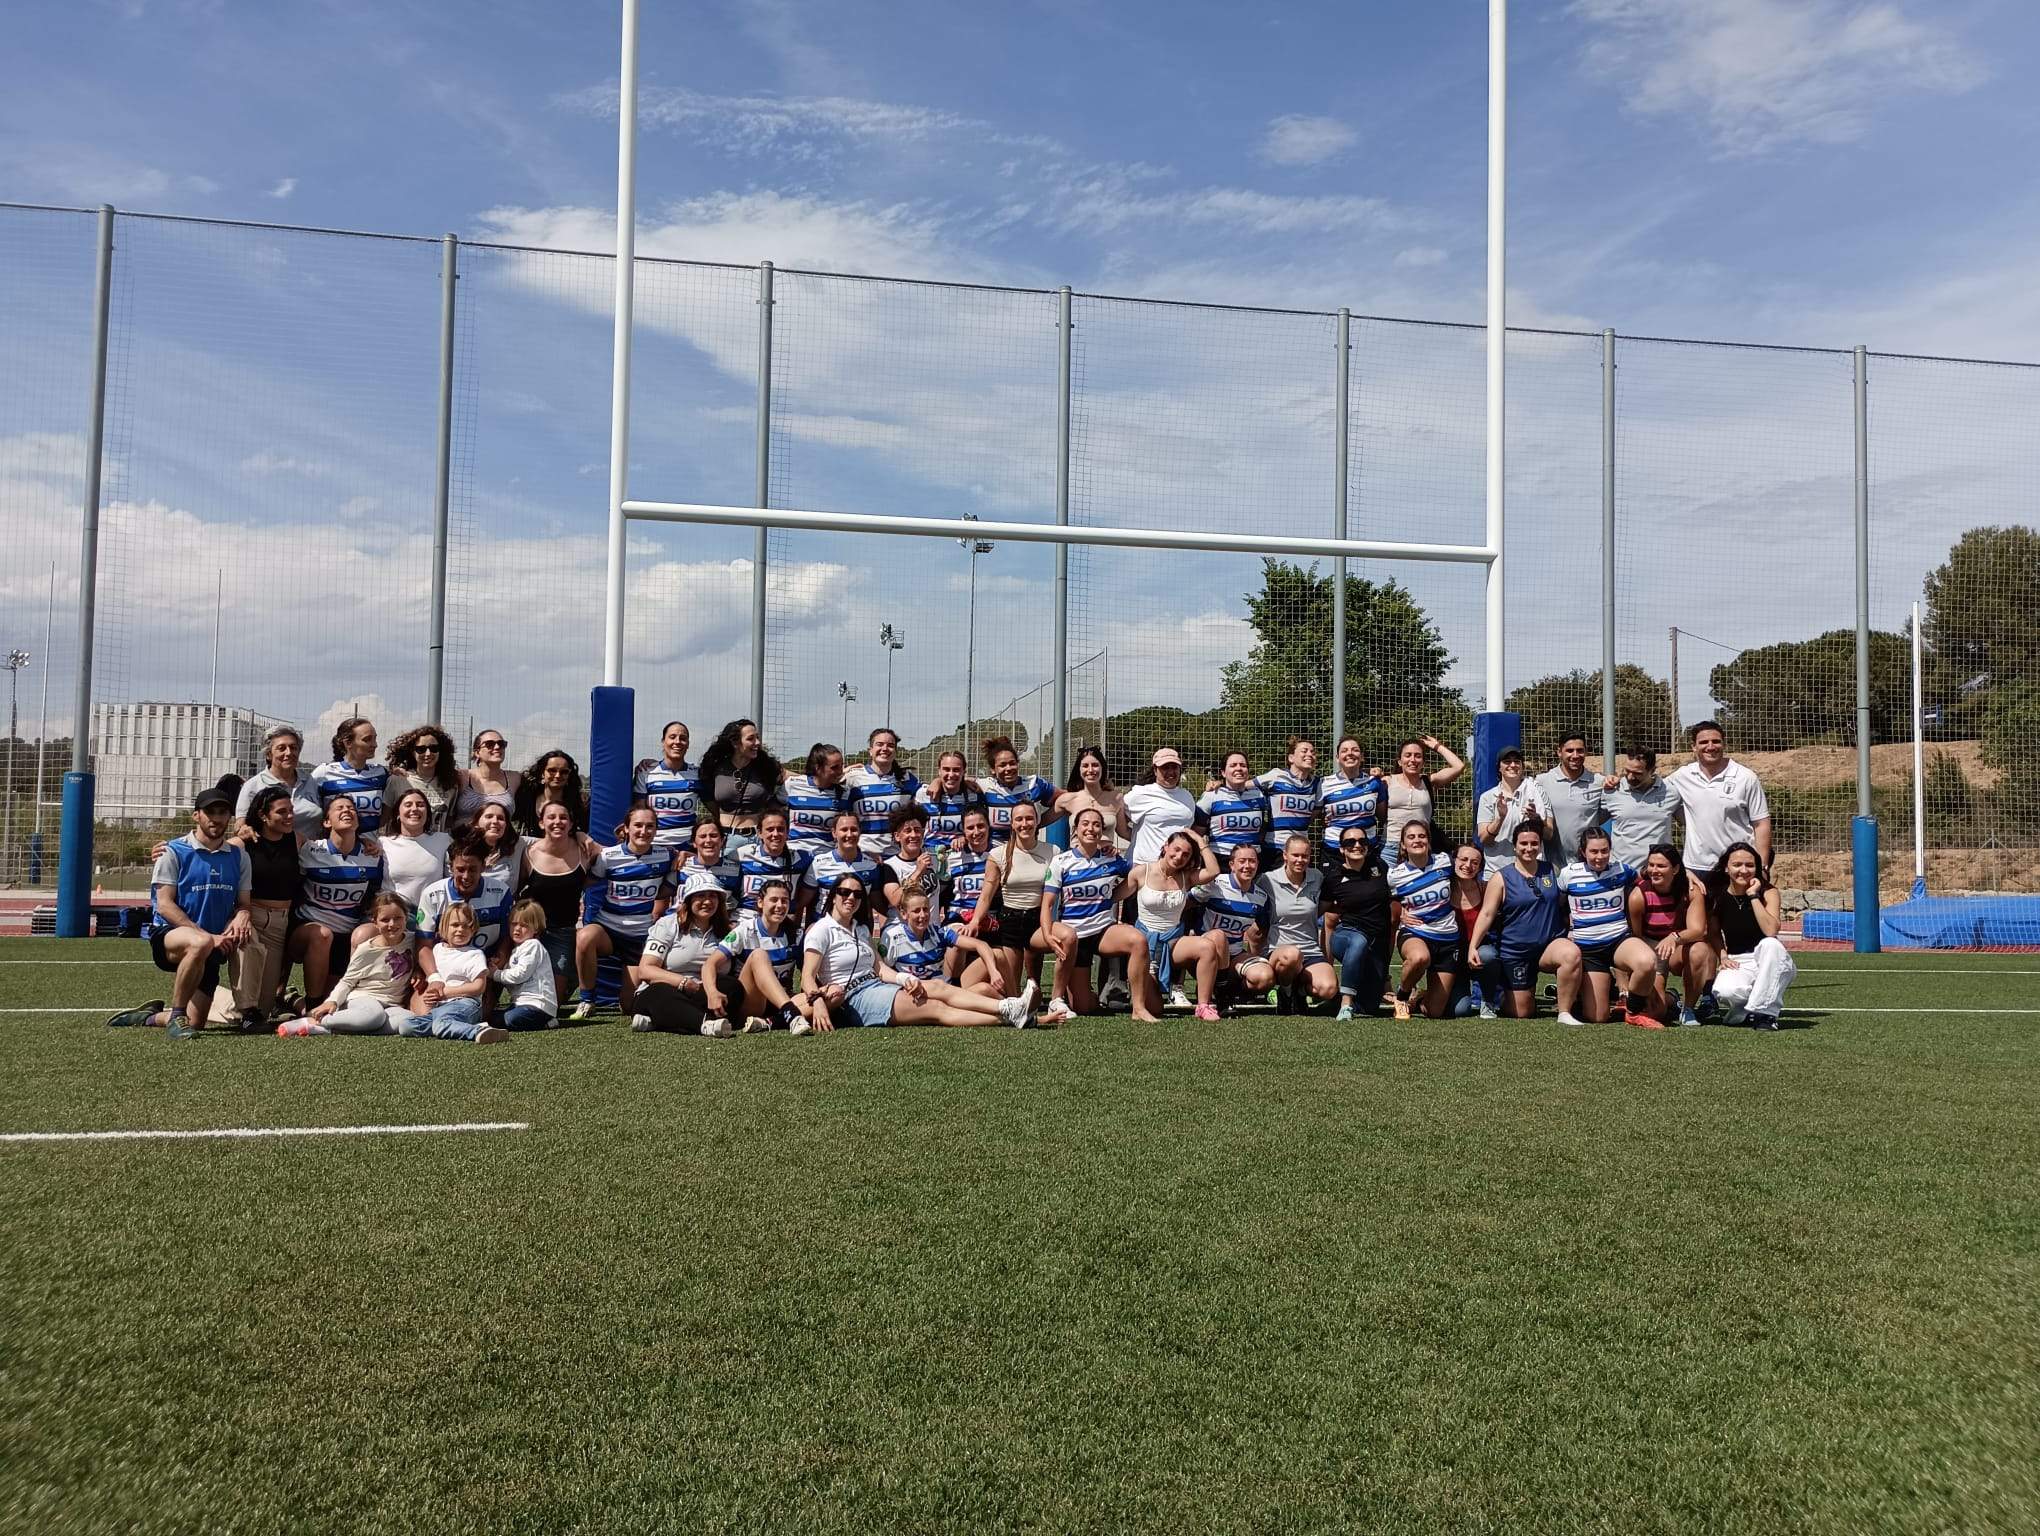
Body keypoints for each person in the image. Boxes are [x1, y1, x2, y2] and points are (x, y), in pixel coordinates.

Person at [106, 784, 254, 1037]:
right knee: (200, 942)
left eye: (222, 812)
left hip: (213, 945)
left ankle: (151, 1016)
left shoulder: (239, 857)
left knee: (196, 1022)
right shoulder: (173, 851)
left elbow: (243, 902)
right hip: (170, 935)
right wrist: (208, 936)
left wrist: (243, 914)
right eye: (210, 812)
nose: (216, 818)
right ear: (196, 815)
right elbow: (164, 904)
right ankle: (176, 1017)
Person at [801, 875, 1036, 1032]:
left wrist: (904, 978)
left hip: (877, 986)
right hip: (853, 998)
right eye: (844, 892)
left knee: (938, 989)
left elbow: (879, 968)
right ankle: (1007, 1015)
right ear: (832, 896)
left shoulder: (860, 929)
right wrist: (818, 1001)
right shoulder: (821, 930)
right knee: (934, 1009)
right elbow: (807, 978)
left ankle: (1010, 1007)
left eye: (857, 894)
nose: (851, 898)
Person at [1465, 823, 1584, 1023]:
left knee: (1571, 954)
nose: (1529, 848)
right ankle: (1506, 990)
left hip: (1549, 946)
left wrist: (1572, 927)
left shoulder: (1550, 871)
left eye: (1534, 843)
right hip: (1515, 951)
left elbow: (1566, 903)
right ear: (1514, 846)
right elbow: (1486, 914)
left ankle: (1564, 1012)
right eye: (1524, 843)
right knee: (1522, 1012)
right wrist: (1473, 946)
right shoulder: (1501, 877)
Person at [570, 804, 677, 1022]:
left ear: (656, 830)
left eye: (650, 826)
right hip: (608, 929)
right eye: (638, 825)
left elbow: (669, 886)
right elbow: (587, 881)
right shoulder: (609, 856)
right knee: (584, 936)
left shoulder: (666, 855)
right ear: (626, 828)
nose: (643, 831)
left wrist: (678, 864)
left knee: (629, 1007)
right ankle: (587, 1000)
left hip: (641, 936)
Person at [1041, 807, 1144, 1019]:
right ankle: (1075, 996)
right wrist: (1048, 933)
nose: (1091, 828)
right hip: (1075, 935)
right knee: (1083, 1007)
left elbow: (1138, 875)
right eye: (1085, 824)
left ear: (1102, 831)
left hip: (1103, 932)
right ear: (1076, 829)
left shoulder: (1112, 860)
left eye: (1096, 824)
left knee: (1137, 941)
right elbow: (1048, 903)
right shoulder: (1062, 861)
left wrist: (1114, 896)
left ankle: (1139, 1007)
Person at [275, 894, 419, 1037]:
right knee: (374, 1016)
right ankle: (317, 1020)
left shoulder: (413, 941)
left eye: (398, 918)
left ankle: (324, 1030)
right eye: (385, 920)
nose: (392, 924)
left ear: (406, 918)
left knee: (410, 1021)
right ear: (375, 922)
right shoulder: (367, 949)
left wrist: (419, 971)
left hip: (392, 1005)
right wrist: (332, 1001)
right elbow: (347, 981)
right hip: (364, 999)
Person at [288, 795, 385, 1006]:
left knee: (333, 1001)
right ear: (326, 821)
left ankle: (293, 999)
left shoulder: (372, 855)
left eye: (351, 808)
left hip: (345, 936)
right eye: (339, 808)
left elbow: (375, 895)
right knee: (322, 934)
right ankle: (312, 1005)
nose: (347, 811)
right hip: (308, 932)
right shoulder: (310, 849)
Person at [1557, 828, 1658, 1025]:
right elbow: (1557, 905)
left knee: (1647, 962)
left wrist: (1687, 875)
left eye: (1604, 851)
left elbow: (1649, 879)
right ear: (1583, 851)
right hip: (1588, 950)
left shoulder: (1622, 870)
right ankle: (1594, 990)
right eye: (1594, 852)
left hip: (1618, 940)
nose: (1599, 856)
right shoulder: (1568, 874)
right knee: (1597, 1017)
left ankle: (1633, 1011)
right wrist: (1566, 931)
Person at [1125, 829, 1225, 1022]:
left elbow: (1213, 871)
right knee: (1155, 1009)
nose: (1179, 857)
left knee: (1207, 947)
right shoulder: (1141, 872)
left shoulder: (1186, 877)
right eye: (1176, 849)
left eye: (1186, 854)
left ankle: (1203, 1006)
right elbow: (1115, 897)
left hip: (1173, 942)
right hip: (1144, 946)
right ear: (1165, 847)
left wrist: (1198, 840)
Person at [223, 783, 300, 1030]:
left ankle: (201, 1000)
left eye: (291, 810)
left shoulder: (296, 840)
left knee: (262, 1011)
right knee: (247, 944)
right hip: (250, 915)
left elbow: (333, 843)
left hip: (280, 921)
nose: (289, 816)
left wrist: (366, 843)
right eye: (281, 812)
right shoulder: (242, 844)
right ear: (263, 815)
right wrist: (168, 850)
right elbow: (206, 854)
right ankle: (245, 1011)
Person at [965, 799, 1057, 999]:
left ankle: (1057, 999)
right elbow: (986, 894)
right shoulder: (998, 854)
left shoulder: (1053, 852)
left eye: (1029, 818)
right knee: (1012, 993)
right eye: (1019, 819)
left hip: (1038, 921)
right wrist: (975, 921)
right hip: (1011, 922)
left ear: (1037, 821)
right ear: (1012, 824)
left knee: (1035, 987)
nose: (1025, 824)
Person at [1703, 841, 1796, 1030]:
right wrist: (1723, 956)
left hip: (1770, 959)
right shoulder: (1716, 896)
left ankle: (1765, 1015)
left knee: (1771, 943)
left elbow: (1771, 930)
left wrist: (1753, 896)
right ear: (1726, 867)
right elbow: (1712, 933)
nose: (1743, 870)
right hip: (1739, 960)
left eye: (1750, 865)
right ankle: (1745, 1011)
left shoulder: (1768, 892)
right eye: (1737, 865)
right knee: (1725, 991)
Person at [631, 871, 737, 1037]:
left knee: (731, 987)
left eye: (713, 896)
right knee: (659, 992)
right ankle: (704, 1024)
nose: (707, 902)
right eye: (700, 896)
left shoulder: (728, 931)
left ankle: (661, 1020)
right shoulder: (667, 924)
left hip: (704, 992)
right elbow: (645, 970)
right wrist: (683, 983)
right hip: (666, 989)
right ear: (688, 900)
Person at [705, 878, 812, 1032]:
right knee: (759, 955)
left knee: (832, 993)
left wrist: (819, 997)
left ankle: (768, 1023)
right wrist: (712, 992)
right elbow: (710, 964)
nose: (780, 906)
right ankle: (791, 1015)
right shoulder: (745, 930)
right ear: (760, 903)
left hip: (780, 1001)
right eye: (774, 900)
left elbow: (808, 973)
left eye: (785, 901)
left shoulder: (796, 934)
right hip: (751, 1002)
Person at [1668, 722, 1773, 876]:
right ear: (1693, 746)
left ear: (1724, 744)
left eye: (1716, 741)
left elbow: (1761, 823)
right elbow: (1653, 790)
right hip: (1696, 867)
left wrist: (1762, 867)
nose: (1710, 747)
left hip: (1737, 867)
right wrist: (1619, 783)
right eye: (1703, 742)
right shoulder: (1681, 776)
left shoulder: (1745, 777)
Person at [398, 903, 509, 1044]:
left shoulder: (474, 954)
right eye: (455, 925)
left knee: (441, 1024)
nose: (460, 930)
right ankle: (462, 1027)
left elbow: (479, 987)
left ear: (473, 930)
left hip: (466, 1004)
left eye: (465, 926)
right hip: (439, 1007)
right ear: (444, 927)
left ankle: (478, 1032)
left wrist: (446, 992)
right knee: (406, 1026)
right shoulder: (438, 949)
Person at [1629, 844, 1713, 1027]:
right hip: (1650, 950)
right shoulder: (1638, 895)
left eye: (1661, 866)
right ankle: (1672, 998)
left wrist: (1674, 937)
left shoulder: (1690, 891)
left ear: (1675, 869)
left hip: (1677, 946)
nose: (1654, 870)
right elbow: (1634, 938)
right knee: (1656, 1011)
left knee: (1699, 950)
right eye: (1651, 865)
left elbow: (1698, 930)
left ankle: (1688, 1009)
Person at [880, 888, 1007, 1006]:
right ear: (904, 914)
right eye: (916, 911)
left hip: (945, 990)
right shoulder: (892, 937)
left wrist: (993, 972)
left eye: (925, 909)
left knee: (995, 958)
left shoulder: (938, 932)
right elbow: (883, 973)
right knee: (983, 990)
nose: (922, 915)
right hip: (917, 996)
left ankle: (1013, 1001)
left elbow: (980, 945)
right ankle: (1010, 1008)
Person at [516, 800, 591, 1000]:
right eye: (551, 817)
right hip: (533, 933)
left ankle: (571, 974)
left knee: (554, 1000)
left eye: (563, 817)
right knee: (527, 993)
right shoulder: (529, 853)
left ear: (571, 823)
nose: (558, 821)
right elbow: (516, 892)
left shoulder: (585, 850)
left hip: (564, 932)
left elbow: (618, 856)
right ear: (541, 823)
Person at [1386, 820, 1459, 1019]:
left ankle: (1417, 1000)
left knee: (1434, 1012)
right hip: (1415, 932)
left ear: (1428, 840)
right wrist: (1399, 911)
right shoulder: (1394, 875)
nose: (1417, 840)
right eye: (1411, 837)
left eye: (1421, 836)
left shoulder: (1445, 861)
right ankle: (1401, 996)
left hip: (1447, 937)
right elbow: (1382, 899)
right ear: (1403, 844)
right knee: (1420, 957)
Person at [1320, 822, 1392, 1021]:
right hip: (1346, 935)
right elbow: (1321, 911)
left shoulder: (1380, 867)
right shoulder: (1333, 877)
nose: (1357, 845)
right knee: (1358, 941)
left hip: (1376, 942)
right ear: (1342, 848)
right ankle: (1346, 1003)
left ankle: (1337, 999)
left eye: (1362, 841)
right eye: (1350, 842)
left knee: (1369, 1007)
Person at [414, 832, 516, 970]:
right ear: (451, 867)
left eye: (472, 870)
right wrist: (433, 977)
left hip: (487, 965)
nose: (466, 876)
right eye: (460, 870)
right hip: (443, 967)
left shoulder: (501, 892)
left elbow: (507, 937)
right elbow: (424, 945)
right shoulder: (432, 895)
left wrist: (500, 958)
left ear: (483, 867)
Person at [1193, 842, 1277, 1009]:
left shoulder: (1261, 897)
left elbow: (1262, 930)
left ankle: (1232, 988)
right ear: (1232, 865)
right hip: (1204, 952)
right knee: (1218, 935)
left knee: (1264, 977)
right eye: (1242, 861)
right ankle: (1218, 990)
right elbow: (1186, 905)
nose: (1247, 866)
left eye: (1252, 861)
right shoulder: (1215, 883)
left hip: (1235, 954)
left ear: (1258, 864)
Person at [1263, 833, 1337, 1009]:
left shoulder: (1317, 877)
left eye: (1305, 856)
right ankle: (1285, 991)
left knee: (1328, 989)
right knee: (1291, 955)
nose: (1300, 860)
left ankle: (1300, 992)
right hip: (1279, 952)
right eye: (1295, 855)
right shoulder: (1267, 880)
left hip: (1310, 951)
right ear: (1285, 855)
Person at [696, 719, 783, 850]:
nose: (757, 743)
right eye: (751, 739)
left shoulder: (766, 767)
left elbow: (792, 778)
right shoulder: (715, 767)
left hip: (757, 839)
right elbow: (706, 795)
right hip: (725, 838)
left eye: (757, 738)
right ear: (735, 742)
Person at [234, 724, 324, 840]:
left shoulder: (310, 782)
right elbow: (240, 824)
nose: (289, 753)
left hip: (310, 854)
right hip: (271, 855)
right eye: (281, 748)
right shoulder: (253, 786)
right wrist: (244, 830)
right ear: (268, 754)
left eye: (293, 747)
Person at [1599, 749, 1682, 874]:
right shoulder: (1612, 790)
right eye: (1627, 771)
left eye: (1637, 773)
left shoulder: (1671, 792)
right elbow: (1591, 819)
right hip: (1622, 872)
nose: (1630, 777)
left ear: (1652, 770)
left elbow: (1689, 820)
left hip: (1657, 873)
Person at [1447, 842, 1505, 1019]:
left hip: (1478, 951)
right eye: (1463, 859)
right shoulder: (1442, 887)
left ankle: (1488, 1001)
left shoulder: (1486, 889)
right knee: (1460, 1011)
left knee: (1488, 954)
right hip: (1452, 956)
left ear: (1480, 866)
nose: (1468, 866)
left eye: (1475, 862)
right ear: (1454, 860)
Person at [845, 728, 921, 858]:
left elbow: (935, 790)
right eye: (879, 744)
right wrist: (842, 772)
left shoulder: (907, 778)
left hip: (897, 855)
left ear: (895, 752)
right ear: (870, 750)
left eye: (890, 745)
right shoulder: (853, 778)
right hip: (863, 854)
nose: (885, 748)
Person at [1383, 735, 1465, 852]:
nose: (1413, 760)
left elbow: (1459, 766)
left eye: (1418, 756)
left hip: (1421, 847)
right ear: (1400, 761)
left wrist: (1436, 746)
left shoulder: (1428, 781)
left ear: (1423, 762)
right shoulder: (1388, 781)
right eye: (1408, 755)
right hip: (1391, 845)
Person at [312, 716, 390, 835]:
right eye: (367, 739)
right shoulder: (324, 773)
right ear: (348, 743)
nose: (374, 744)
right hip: (337, 849)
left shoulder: (381, 773)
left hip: (372, 849)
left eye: (375, 739)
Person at [736, 809, 815, 926]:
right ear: (759, 832)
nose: (775, 834)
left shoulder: (802, 859)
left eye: (781, 829)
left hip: (781, 920)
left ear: (788, 832)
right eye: (770, 829)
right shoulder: (741, 855)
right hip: (747, 919)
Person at [1320, 737, 1388, 870]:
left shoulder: (1374, 782)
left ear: (1362, 757)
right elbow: (1312, 814)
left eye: (1355, 750)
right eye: (1344, 751)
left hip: (1366, 847)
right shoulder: (1323, 784)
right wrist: (1323, 819)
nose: (1350, 753)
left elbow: (1383, 817)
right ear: (1337, 757)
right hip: (1334, 849)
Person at [1475, 747, 1550, 868]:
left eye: (1517, 761)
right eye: (1507, 761)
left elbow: (1548, 834)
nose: (1513, 765)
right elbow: (1484, 839)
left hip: (1531, 868)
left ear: (1522, 766)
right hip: (1497, 869)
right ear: (1499, 767)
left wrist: (1537, 819)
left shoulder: (1537, 792)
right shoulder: (1488, 797)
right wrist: (1500, 818)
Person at [633, 720, 699, 855]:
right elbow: (640, 811)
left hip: (687, 846)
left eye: (683, 738)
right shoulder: (646, 772)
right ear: (663, 741)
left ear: (688, 744)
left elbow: (715, 810)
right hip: (654, 844)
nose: (678, 742)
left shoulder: (697, 774)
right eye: (672, 737)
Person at [493, 901, 560, 1032]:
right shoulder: (516, 950)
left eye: (523, 925)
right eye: (514, 924)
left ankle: (548, 1022)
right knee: (495, 1019)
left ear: (536, 928)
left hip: (537, 1004)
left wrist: (495, 974)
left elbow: (519, 975)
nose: (517, 929)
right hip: (520, 1003)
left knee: (510, 1020)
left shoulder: (533, 945)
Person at [379, 787, 451, 911]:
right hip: (394, 913)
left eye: (420, 805)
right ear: (398, 813)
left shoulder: (444, 840)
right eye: (408, 805)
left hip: (432, 911)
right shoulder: (383, 843)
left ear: (428, 813)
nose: (414, 809)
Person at [980, 735, 1060, 844]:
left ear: (1018, 764)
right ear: (993, 769)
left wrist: (1039, 822)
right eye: (1002, 765)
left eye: (1012, 763)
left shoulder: (1034, 784)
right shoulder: (984, 786)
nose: (1008, 768)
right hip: (995, 852)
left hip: (1027, 850)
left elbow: (1064, 800)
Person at [1125, 748, 1197, 866]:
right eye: (1165, 767)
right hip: (1146, 865)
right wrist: (1137, 839)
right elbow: (1120, 823)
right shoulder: (1140, 794)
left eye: (1174, 767)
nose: (1170, 772)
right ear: (1155, 770)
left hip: (1177, 865)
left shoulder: (1187, 796)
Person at [383, 725, 460, 831]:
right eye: (421, 749)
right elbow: (385, 819)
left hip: (437, 845)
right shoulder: (397, 780)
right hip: (405, 843)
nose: (428, 754)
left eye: (434, 748)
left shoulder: (451, 783)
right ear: (412, 752)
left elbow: (449, 821)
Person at [1257, 738, 1320, 868]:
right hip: (1275, 848)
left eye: (1313, 752)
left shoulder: (1318, 784)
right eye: (1304, 751)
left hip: (1301, 851)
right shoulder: (1276, 776)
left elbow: (1313, 814)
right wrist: (1219, 784)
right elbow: (1243, 786)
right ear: (1291, 757)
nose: (1309, 754)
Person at [809, 810, 885, 917]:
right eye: (844, 830)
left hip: (857, 928)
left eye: (854, 830)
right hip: (824, 926)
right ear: (834, 833)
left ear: (860, 832)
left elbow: (876, 904)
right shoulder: (818, 864)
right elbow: (803, 903)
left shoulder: (872, 865)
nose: (849, 834)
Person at [1197, 750, 1269, 861]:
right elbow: (1197, 831)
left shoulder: (1259, 795)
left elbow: (1264, 828)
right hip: (1221, 860)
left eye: (1243, 765)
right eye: (1233, 765)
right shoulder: (1211, 796)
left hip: (1252, 861)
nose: (1239, 768)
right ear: (1223, 772)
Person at [1056, 746, 1129, 848]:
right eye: (1085, 766)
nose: (1090, 770)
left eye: (1095, 765)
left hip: (1107, 861)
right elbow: (1036, 822)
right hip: (1078, 861)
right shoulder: (1067, 799)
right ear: (1079, 769)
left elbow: (1124, 832)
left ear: (1102, 767)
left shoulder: (1116, 798)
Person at [784, 741, 848, 855]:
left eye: (841, 766)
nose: (840, 771)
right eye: (834, 767)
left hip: (826, 858)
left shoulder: (845, 794)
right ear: (818, 768)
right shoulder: (792, 785)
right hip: (795, 855)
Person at [512, 749, 589, 839]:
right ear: (542, 773)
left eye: (564, 772)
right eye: (552, 770)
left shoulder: (577, 805)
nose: (557, 775)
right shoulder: (526, 799)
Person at [915, 749, 981, 854]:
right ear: (939, 771)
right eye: (946, 769)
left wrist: (966, 839)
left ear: (964, 771)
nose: (951, 774)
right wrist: (936, 781)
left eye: (956, 770)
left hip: (962, 855)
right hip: (931, 854)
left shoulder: (974, 795)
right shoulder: (924, 794)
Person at [880, 804, 940, 914]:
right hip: (902, 928)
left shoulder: (934, 857)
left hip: (932, 928)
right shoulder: (889, 866)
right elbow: (895, 900)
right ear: (897, 836)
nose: (913, 835)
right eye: (908, 831)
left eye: (917, 830)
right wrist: (918, 872)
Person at [453, 728, 519, 826]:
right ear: (477, 752)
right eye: (489, 744)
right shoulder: (463, 777)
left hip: (500, 839)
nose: (497, 747)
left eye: (501, 744)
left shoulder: (515, 778)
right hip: (465, 838)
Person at [679, 819, 744, 904]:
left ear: (722, 841)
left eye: (713, 836)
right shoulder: (681, 865)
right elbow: (662, 897)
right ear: (694, 842)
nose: (708, 840)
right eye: (702, 836)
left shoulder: (735, 870)